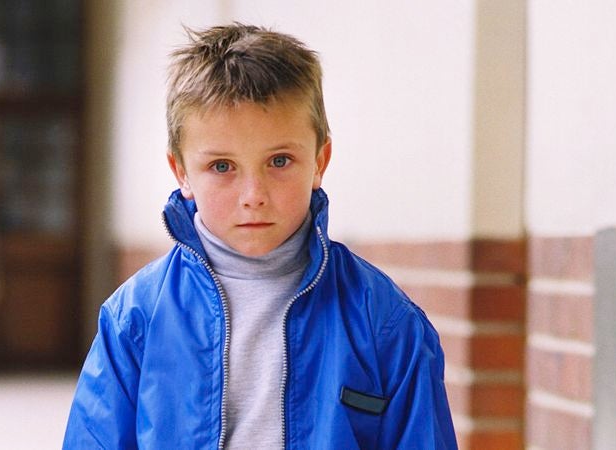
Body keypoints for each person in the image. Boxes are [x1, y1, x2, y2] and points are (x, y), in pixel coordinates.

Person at [63, 23, 457, 449]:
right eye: (222, 167)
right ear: (181, 172)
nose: (254, 196)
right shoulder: (135, 318)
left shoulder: (385, 321)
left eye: (280, 160)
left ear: (320, 160)